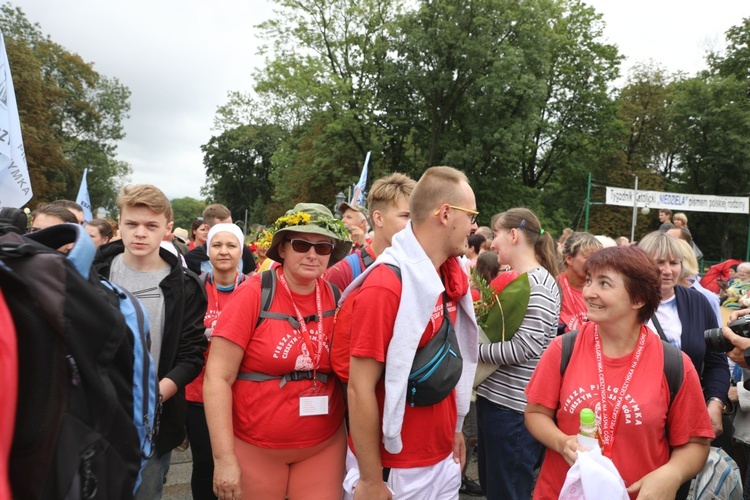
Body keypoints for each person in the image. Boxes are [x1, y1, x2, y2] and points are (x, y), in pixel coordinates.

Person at [525, 246, 713, 499]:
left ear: (638, 299)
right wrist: (561, 442)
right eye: (589, 280)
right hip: (561, 492)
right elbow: (536, 413)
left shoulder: (674, 363)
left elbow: (695, 443)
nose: (589, 292)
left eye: (604, 284)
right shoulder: (564, 348)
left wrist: (673, 473)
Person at [345, 166, 479, 499]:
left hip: (442, 458)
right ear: (445, 214)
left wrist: (455, 429)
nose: (474, 226)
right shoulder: (386, 285)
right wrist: (372, 480)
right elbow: (359, 388)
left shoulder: (449, 278)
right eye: (471, 214)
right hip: (397, 469)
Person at [204, 203, 352, 499]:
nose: (312, 254)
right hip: (255, 447)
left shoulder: (337, 297)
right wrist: (223, 460)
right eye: (301, 244)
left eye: (322, 247)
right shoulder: (254, 293)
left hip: (323, 445)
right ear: (282, 249)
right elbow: (217, 378)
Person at [93, 184, 208, 499]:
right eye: (132, 224)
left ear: (167, 230)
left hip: (152, 424)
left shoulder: (186, 288)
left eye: (151, 226)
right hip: (93, 417)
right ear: (119, 224)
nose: (140, 233)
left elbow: (192, 356)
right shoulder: (92, 272)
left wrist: (152, 397)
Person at [475, 207, 561, 500]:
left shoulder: (536, 285)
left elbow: (525, 348)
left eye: (496, 234)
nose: (492, 243)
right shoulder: (524, 279)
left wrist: (473, 349)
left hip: (512, 411)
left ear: (513, 235)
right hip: (501, 404)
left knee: (507, 492)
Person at [638, 231, 729, 445]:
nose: (668, 271)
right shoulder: (625, 302)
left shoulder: (698, 303)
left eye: (674, 263)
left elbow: (717, 362)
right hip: (638, 418)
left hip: (687, 416)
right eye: (659, 262)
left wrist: (715, 402)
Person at [183, 223, 248, 500]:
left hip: (243, 394)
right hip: (198, 395)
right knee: (206, 463)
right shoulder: (193, 288)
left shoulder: (255, 289)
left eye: (231, 245)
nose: (224, 251)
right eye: (217, 245)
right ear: (207, 250)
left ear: (241, 251)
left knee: (243, 464)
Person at [326, 173, 416, 291]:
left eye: (415, 217)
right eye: (405, 216)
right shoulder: (344, 271)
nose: (413, 223)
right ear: (378, 219)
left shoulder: (419, 267)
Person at [185, 204, 256, 275]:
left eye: (231, 226)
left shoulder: (242, 249)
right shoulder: (191, 258)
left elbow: (250, 277)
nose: (224, 252)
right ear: (207, 229)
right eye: (221, 228)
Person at [557, 232, 603, 333]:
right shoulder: (553, 287)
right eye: (588, 257)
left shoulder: (602, 291)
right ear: (569, 259)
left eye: (597, 258)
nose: (595, 263)